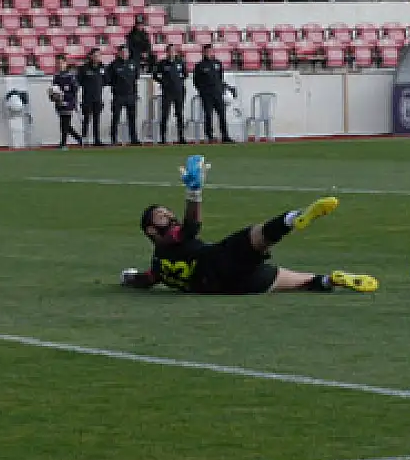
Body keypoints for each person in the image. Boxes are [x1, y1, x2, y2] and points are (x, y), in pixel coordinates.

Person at [121, 156, 379, 296]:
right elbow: (191, 228)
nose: (169, 216)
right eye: (162, 216)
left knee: (303, 282)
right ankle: (293, 218)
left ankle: (330, 280)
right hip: (218, 262)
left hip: (233, 289)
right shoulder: (173, 240)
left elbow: (146, 280)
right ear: (151, 231)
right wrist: (194, 193)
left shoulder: (158, 265)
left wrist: (128, 278)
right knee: (257, 236)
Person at [192, 44, 235, 143]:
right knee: (208, 115)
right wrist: (202, 91)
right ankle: (209, 136)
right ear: (203, 53)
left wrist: (220, 89)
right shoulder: (200, 65)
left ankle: (225, 136)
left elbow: (220, 77)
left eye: (210, 51)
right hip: (207, 94)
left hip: (217, 93)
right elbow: (196, 81)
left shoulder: (218, 63)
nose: (209, 53)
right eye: (206, 52)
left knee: (222, 114)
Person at [104, 44, 140, 145]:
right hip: (118, 96)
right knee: (115, 118)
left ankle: (134, 139)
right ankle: (114, 139)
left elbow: (135, 78)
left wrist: (135, 93)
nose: (125, 54)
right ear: (119, 53)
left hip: (131, 95)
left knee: (132, 118)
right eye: (123, 52)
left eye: (126, 52)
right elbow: (108, 79)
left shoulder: (133, 64)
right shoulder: (113, 65)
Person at [153, 44, 188, 144]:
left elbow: (185, 74)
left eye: (173, 51)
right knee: (165, 114)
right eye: (170, 51)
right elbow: (155, 75)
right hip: (167, 92)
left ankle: (181, 137)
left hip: (179, 92)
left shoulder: (180, 62)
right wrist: (163, 82)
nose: (172, 53)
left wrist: (179, 81)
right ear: (167, 52)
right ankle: (163, 137)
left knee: (179, 114)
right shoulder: (162, 63)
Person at [49, 56, 84, 149]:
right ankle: (79, 138)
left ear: (65, 63)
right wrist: (53, 96)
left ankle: (63, 143)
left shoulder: (71, 76)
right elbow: (53, 89)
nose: (59, 65)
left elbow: (74, 90)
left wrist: (65, 97)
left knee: (65, 123)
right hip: (59, 103)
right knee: (64, 124)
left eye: (61, 63)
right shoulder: (56, 76)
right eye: (58, 63)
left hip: (68, 103)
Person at [75, 47, 104, 146]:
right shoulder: (84, 68)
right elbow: (79, 82)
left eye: (99, 55)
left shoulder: (102, 67)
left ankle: (97, 140)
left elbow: (106, 80)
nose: (97, 57)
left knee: (97, 120)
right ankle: (84, 140)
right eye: (95, 55)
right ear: (91, 56)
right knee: (86, 119)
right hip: (87, 98)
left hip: (98, 97)